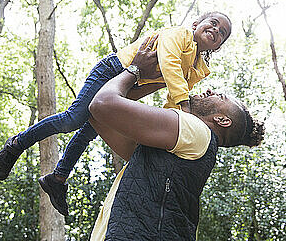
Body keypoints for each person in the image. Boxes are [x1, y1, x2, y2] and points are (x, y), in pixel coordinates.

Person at [0, 12, 232, 216]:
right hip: (114, 69)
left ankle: (57, 179)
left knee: (89, 132)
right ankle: (16, 144)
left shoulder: (198, 70)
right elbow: (169, 65)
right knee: (73, 118)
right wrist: (184, 106)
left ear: (218, 46)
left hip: (130, 88)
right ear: (196, 24)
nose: (215, 29)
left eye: (221, 32)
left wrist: (177, 122)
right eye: (212, 22)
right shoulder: (179, 35)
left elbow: (169, 94)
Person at [87, 37, 264, 241]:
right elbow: (97, 115)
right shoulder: (179, 149)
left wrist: (135, 69)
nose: (209, 91)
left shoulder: (197, 130)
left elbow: (101, 104)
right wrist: (158, 80)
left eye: (220, 96)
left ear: (222, 120)